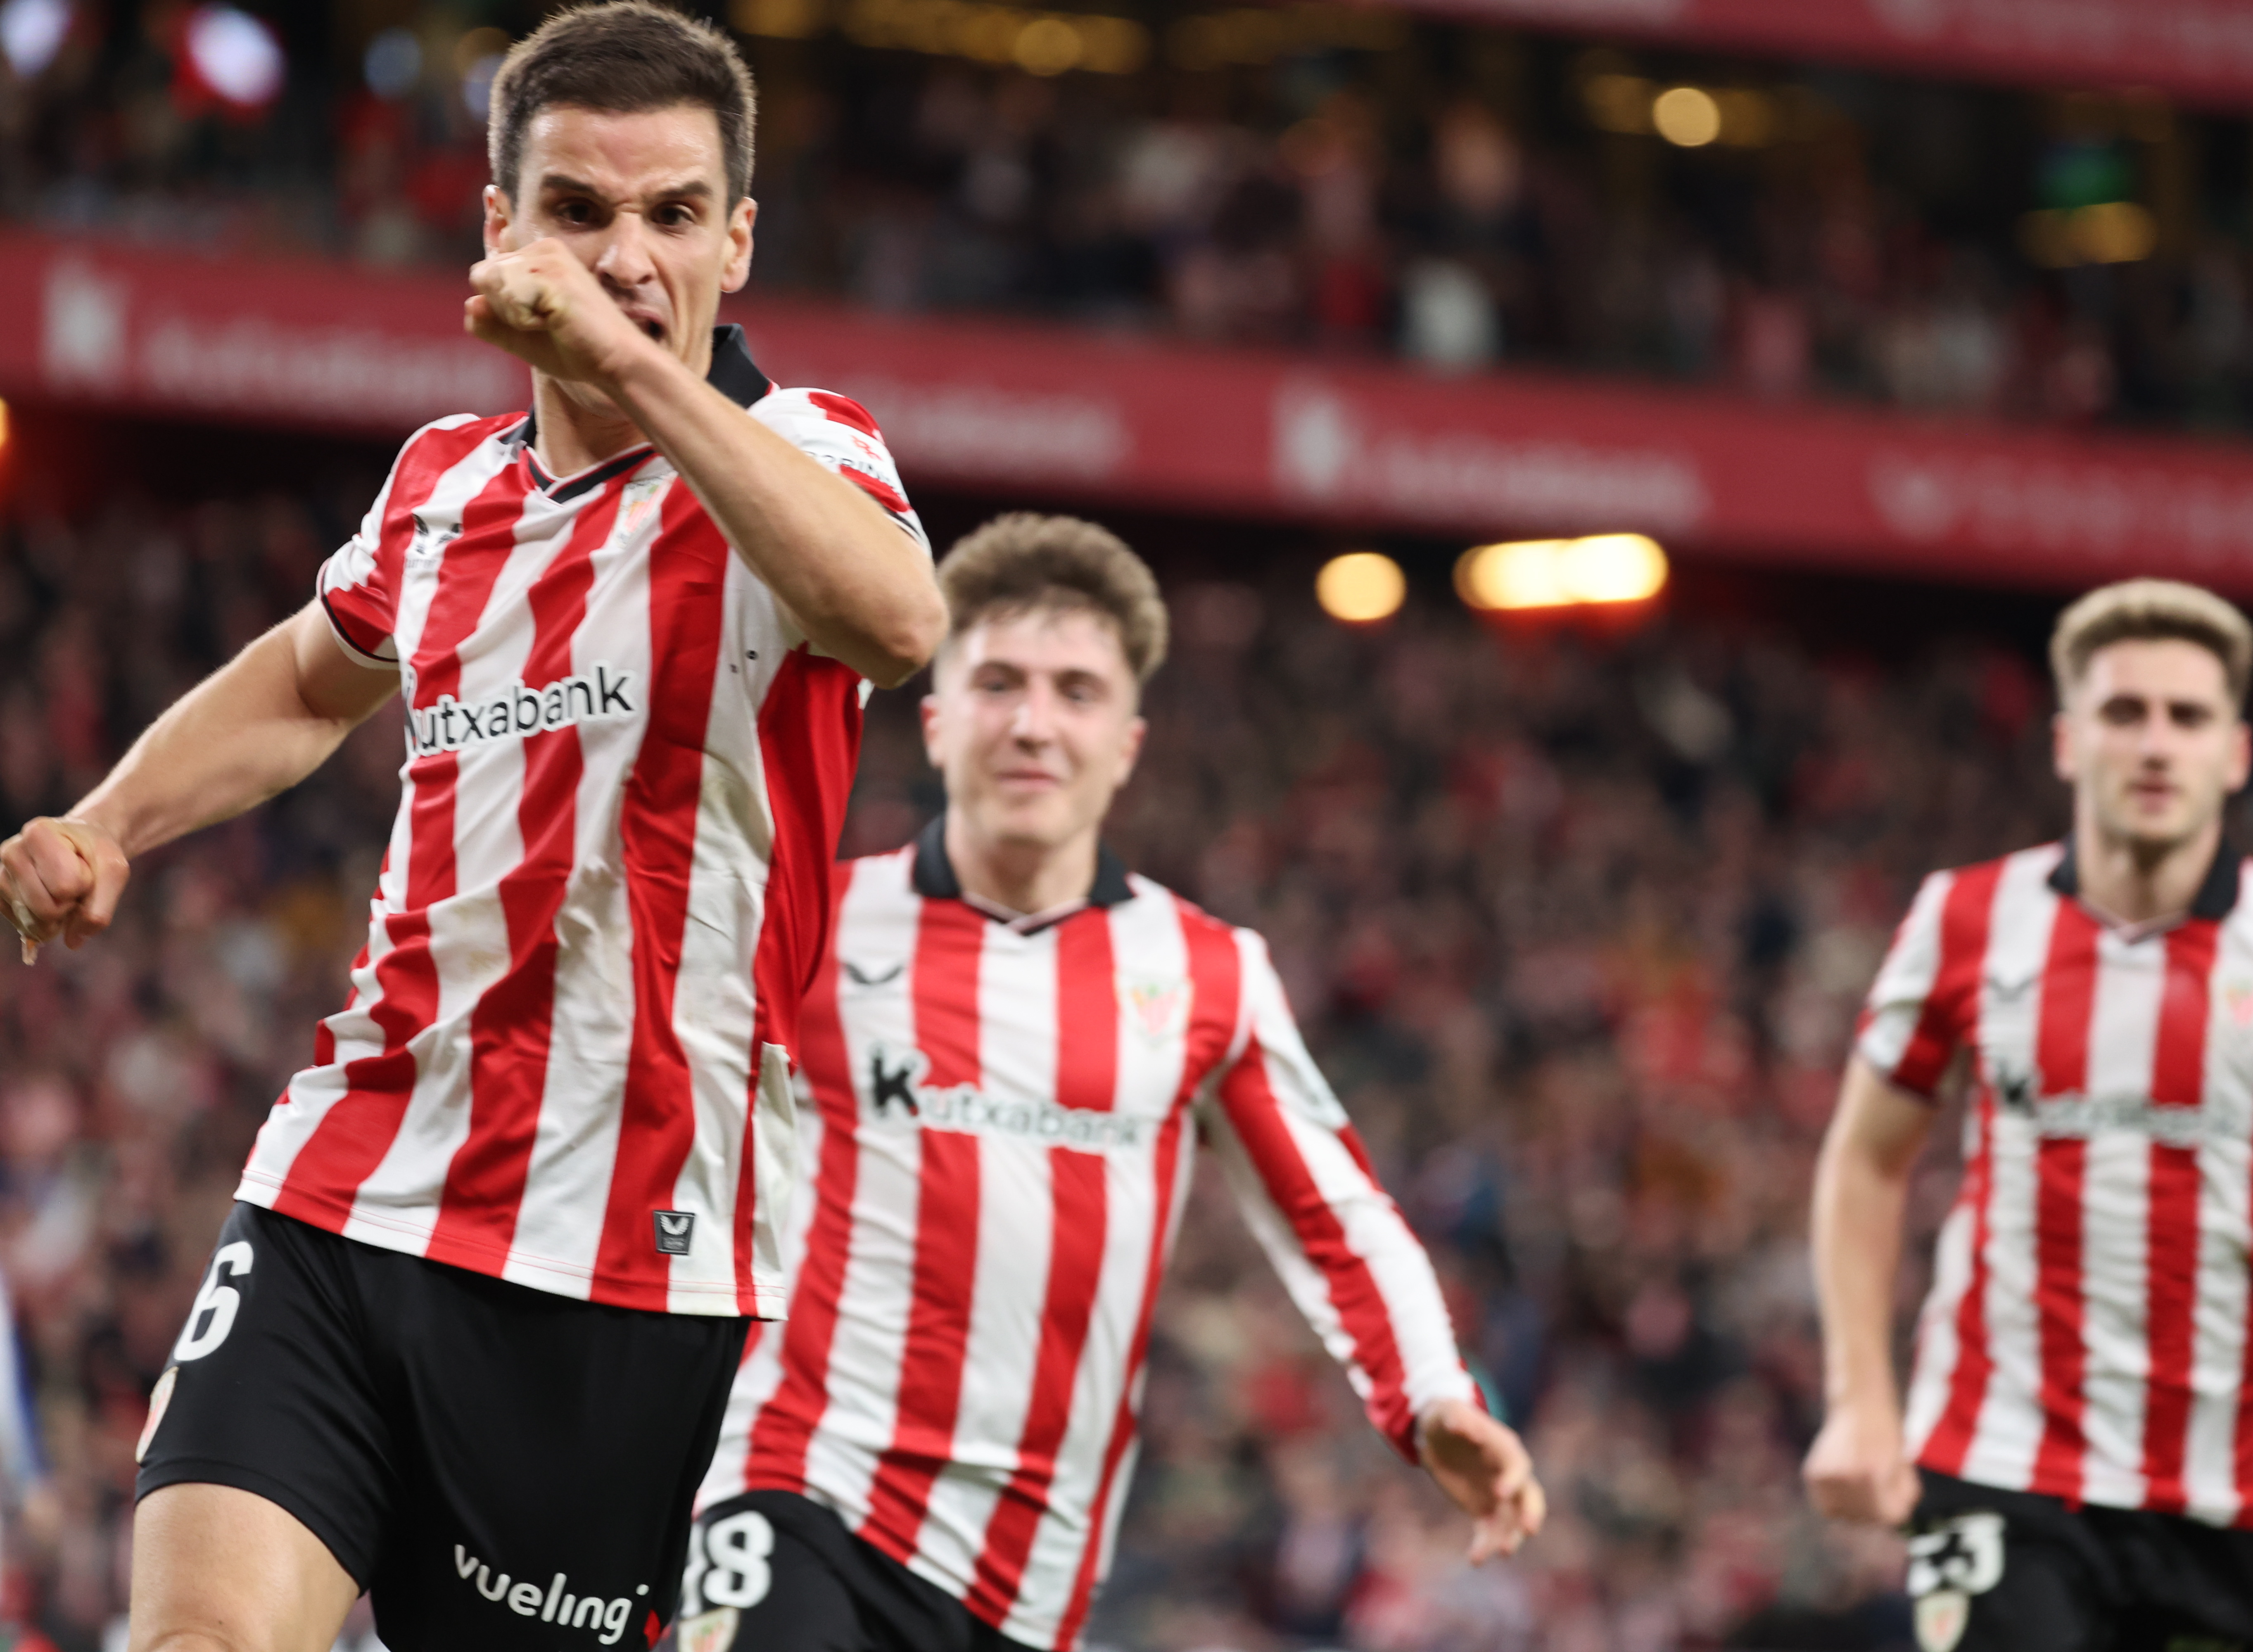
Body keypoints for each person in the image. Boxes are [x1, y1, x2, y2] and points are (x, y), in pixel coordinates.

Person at [0, 4, 947, 1647]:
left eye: (671, 216)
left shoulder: (805, 454)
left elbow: (897, 623)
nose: (627, 252)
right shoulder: (444, 486)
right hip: (355, 1179)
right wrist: (110, 820)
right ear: (500, 229)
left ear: (738, 241)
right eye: (578, 208)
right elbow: (307, 681)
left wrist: (632, 370)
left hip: (629, 1261)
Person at [671, 514, 1545, 1652]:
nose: (1034, 723)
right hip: (792, 1479)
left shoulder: (1207, 973)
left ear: (1128, 742)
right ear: (934, 724)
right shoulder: (819, 923)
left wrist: (1434, 1398)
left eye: (1077, 691)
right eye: (999, 684)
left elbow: (1340, 1221)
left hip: (1029, 1577)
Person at [1801, 579, 2253, 1652]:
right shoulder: (1964, 920)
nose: (2154, 745)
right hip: (1994, 1459)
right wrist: (1861, 1397)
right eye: (2124, 713)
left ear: (2233, 755)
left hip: (2222, 1496)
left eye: (2187, 718)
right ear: (2065, 742)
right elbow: (1863, 1161)